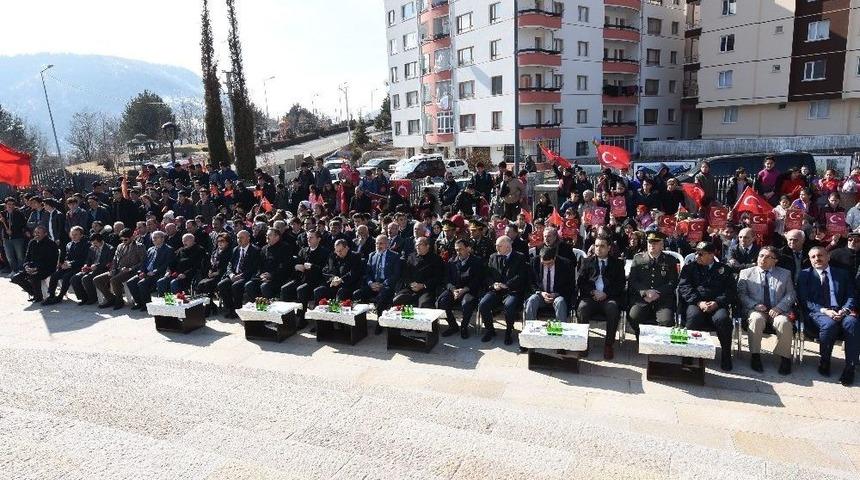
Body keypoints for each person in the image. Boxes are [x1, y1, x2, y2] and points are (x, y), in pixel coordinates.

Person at [797, 246, 859, 385]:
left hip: (842, 310)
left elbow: (851, 295)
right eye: (813, 257)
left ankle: (850, 367)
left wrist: (845, 310)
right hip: (819, 312)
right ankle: (824, 361)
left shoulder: (842, 273)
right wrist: (825, 311)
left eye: (820, 255)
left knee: (852, 323)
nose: (817, 259)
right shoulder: (805, 274)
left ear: (828, 257)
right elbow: (804, 299)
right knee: (829, 324)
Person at [678, 241, 737, 371]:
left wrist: (717, 302)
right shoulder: (689, 268)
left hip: (717, 304)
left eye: (701, 254)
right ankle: (688, 354)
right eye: (696, 253)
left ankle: (726, 355)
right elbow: (684, 287)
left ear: (711, 255)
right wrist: (698, 302)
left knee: (723, 319)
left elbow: (730, 290)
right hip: (696, 303)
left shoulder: (724, 270)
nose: (697, 256)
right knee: (694, 317)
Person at [737, 246, 796, 375]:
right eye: (761, 255)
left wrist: (779, 307)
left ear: (775, 260)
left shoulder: (785, 273)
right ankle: (755, 356)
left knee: (784, 323)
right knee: (756, 319)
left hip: (778, 309)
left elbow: (791, 294)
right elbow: (742, 295)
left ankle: (785, 357)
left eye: (768, 257)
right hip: (756, 309)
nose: (763, 259)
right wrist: (754, 305)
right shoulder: (746, 273)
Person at [576, 235, 625, 360]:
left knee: (613, 308)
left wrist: (606, 294)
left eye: (602, 246)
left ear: (609, 248)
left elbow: (620, 284)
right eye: (596, 246)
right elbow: (581, 282)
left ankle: (609, 345)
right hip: (590, 297)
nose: (598, 249)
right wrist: (593, 292)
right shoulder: (586, 261)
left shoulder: (617, 263)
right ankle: (583, 343)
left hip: (608, 297)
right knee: (582, 308)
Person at [478, 236, 528, 344]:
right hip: (496, 290)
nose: (497, 248)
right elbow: (488, 275)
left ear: (508, 247)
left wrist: (506, 285)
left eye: (499, 246)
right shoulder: (493, 256)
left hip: (512, 290)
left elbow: (521, 276)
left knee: (509, 306)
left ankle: (508, 332)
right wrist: (493, 284)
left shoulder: (520, 257)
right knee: (483, 304)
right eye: (496, 245)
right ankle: (490, 330)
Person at [627, 232, 679, 336]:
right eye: (650, 242)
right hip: (643, 298)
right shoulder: (638, 259)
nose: (652, 245)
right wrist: (645, 292)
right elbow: (633, 280)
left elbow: (673, 282)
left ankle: (659, 342)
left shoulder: (670, 260)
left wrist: (658, 292)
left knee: (666, 321)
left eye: (655, 243)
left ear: (662, 245)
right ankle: (641, 338)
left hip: (662, 299)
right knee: (634, 316)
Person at [354, 234, 402, 335]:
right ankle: (360, 321)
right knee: (357, 294)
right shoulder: (372, 255)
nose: (378, 246)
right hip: (373, 284)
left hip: (386, 285)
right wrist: (371, 283)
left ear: (387, 244)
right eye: (376, 243)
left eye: (381, 244)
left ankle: (379, 323)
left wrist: (382, 284)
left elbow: (396, 275)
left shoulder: (395, 256)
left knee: (382, 296)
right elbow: (367, 273)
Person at [437, 239, 483, 339]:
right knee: (441, 302)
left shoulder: (476, 261)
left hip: (469, 290)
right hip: (454, 290)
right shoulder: (452, 261)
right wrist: (453, 289)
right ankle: (453, 326)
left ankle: (464, 327)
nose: (458, 252)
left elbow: (478, 279)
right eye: (456, 250)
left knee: (467, 303)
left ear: (468, 249)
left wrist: (465, 289)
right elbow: (447, 279)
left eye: (460, 249)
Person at [94, 228, 146, 309]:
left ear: (132, 237)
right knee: (97, 280)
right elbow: (115, 259)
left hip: (131, 272)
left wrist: (130, 269)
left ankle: (119, 301)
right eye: (122, 240)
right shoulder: (120, 246)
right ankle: (111, 299)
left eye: (125, 239)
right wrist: (113, 269)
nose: (123, 241)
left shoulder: (139, 246)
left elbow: (143, 262)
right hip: (118, 270)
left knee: (114, 280)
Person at [126, 231, 174, 310]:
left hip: (158, 274)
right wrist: (142, 272)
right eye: (153, 238)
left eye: (156, 238)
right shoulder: (150, 249)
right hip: (147, 273)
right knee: (130, 282)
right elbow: (144, 262)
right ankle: (139, 303)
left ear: (162, 239)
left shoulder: (168, 249)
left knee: (142, 283)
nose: (153, 240)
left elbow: (167, 264)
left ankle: (147, 304)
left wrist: (154, 271)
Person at [524, 245, 574, 321]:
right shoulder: (534, 262)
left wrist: (556, 294)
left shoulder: (566, 264)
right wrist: (541, 293)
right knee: (532, 300)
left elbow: (570, 285)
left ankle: (560, 326)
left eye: (550, 263)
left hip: (558, 295)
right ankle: (530, 326)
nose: (547, 266)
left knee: (560, 302)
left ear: (555, 258)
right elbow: (530, 282)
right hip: (541, 295)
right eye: (544, 263)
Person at [11, 225, 59, 303]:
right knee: (16, 278)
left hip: (47, 268)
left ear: (45, 234)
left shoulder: (51, 244)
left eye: (39, 233)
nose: (36, 234)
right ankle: (35, 294)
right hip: (32, 267)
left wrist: (37, 268)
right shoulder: (32, 242)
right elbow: (27, 257)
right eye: (35, 232)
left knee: (34, 276)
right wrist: (26, 266)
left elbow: (52, 261)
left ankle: (38, 296)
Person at [392, 236, 444, 308]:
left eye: (420, 245)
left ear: (427, 246)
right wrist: (410, 284)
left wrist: (423, 285)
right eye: (416, 245)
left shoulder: (436, 259)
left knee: (424, 305)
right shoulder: (411, 257)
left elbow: (438, 277)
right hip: (411, 288)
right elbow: (405, 274)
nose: (417, 247)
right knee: (397, 300)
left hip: (426, 289)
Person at [43, 226, 90, 305]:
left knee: (67, 276)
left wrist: (70, 264)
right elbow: (68, 257)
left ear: (81, 235)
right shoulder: (69, 244)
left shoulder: (86, 244)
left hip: (80, 266)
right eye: (72, 234)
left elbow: (84, 259)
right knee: (54, 275)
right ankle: (51, 295)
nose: (73, 236)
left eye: (76, 234)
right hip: (69, 266)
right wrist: (65, 263)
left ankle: (60, 296)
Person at [244, 228, 291, 300]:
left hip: (278, 277)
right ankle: (258, 304)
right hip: (264, 276)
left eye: (269, 235)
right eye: (266, 235)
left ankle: (271, 305)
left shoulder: (285, 248)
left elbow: (284, 266)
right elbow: (260, 264)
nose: (267, 237)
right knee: (249, 285)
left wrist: (271, 275)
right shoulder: (264, 248)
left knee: (265, 286)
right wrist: (261, 275)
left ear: (277, 237)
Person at [315, 238, 364, 303]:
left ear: (346, 248)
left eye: (340, 250)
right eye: (337, 251)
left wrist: (340, 280)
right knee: (319, 291)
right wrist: (333, 277)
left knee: (341, 292)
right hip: (334, 284)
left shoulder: (355, 256)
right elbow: (325, 270)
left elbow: (354, 273)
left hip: (348, 285)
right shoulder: (333, 256)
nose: (339, 253)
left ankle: (337, 308)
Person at [71, 233, 113, 306]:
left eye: (95, 243)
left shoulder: (109, 248)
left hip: (103, 269)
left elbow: (108, 262)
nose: (94, 245)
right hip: (91, 269)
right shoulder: (92, 248)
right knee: (74, 278)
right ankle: (83, 297)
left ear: (101, 241)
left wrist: (97, 266)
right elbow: (88, 260)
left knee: (86, 278)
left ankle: (93, 297)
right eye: (92, 243)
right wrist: (86, 265)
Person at [196, 233, 233, 315]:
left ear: (227, 242)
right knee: (200, 285)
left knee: (207, 285)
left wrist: (216, 273)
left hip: (222, 276)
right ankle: (212, 306)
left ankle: (208, 308)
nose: (220, 243)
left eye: (222, 241)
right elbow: (211, 265)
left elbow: (227, 267)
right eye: (218, 241)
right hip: (213, 275)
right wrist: (210, 271)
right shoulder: (215, 252)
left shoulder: (230, 252)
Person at [1, 197, 28, 273]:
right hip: (6, 239)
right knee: (9, 256)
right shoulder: (2, 214)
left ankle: (21, 271)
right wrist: (1, 221)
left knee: (20, 256)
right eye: (9, 204)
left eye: (13, 204)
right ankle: (14, 270)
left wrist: (12, 231)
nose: (11, 206)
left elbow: (23, 225)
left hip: (18, 238)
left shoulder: (19, 213)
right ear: (5, 205)